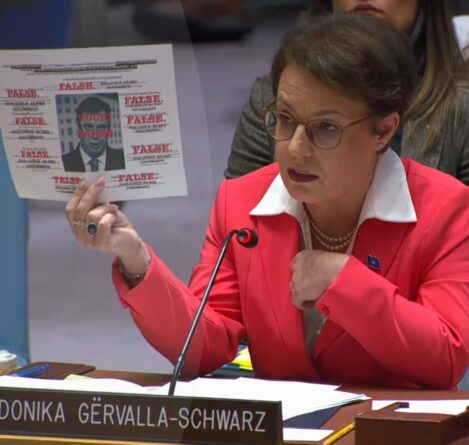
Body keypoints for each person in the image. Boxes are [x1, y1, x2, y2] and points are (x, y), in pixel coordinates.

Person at [66, 13, 469, 389]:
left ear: (383, 130)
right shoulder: (241, 203)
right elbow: (203, 349)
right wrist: (136, 260)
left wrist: (345, 282)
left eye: (326, 128)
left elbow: (446, 358)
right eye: (285, 119)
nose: (295, 148)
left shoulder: (446, 209)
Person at [225, 0, 469, 185]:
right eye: (288, 121)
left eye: (328, 127)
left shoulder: (461, 109)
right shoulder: (272, 97)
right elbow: (239, 221)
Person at [62, 96, 125, 173]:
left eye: (101, 127)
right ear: (78, 126)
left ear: (109, 128)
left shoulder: (122, 158)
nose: (95, 135)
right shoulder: (63, 162)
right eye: (88, 127)